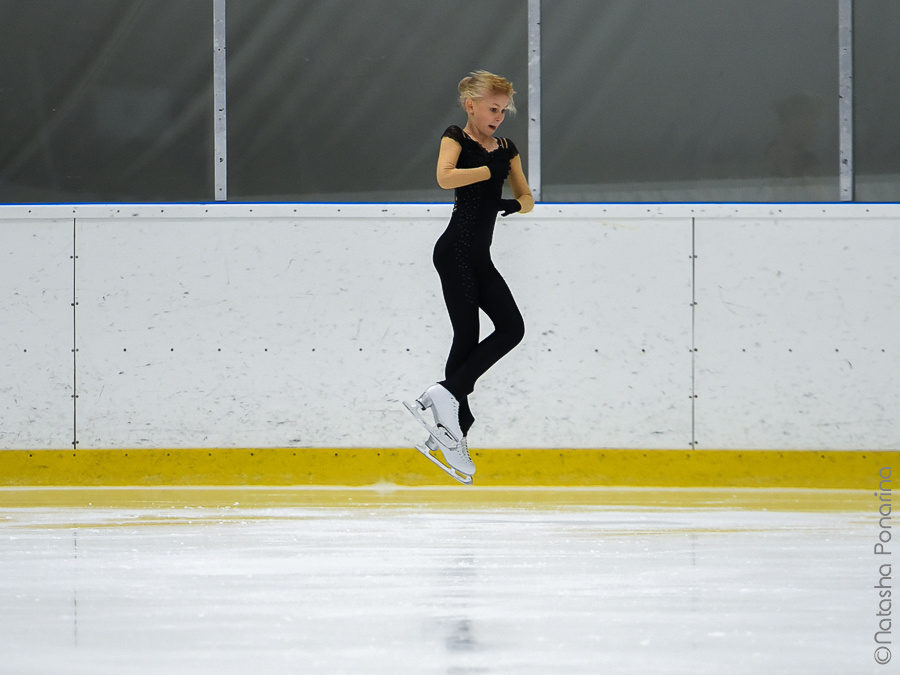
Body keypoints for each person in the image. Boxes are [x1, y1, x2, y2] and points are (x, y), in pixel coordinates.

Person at [407, 70, 534, 482]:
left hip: (480, 254)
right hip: (455, 250)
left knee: (512, 328)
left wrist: (511, 207)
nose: (498, 117)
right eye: (492, 109)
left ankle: (447, 403)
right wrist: (486, 171)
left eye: (503, 111)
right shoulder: (456, 138)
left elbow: (527, 197)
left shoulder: (507, 147)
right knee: (466, 336)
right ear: (471, 106)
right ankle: (453, 427)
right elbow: (445, 178)